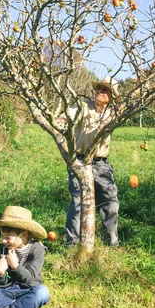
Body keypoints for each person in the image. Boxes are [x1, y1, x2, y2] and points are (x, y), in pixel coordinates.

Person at [64, 77, 120, 248]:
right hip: (80, 161)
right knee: (78, 203)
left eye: (105, 89)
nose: (100, 91)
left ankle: (111, 243)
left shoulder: (113, 113)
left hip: (101, 164)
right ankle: (72, 245)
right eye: (99, 88)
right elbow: (70, 114)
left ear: (112, 96)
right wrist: (62, 119)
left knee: (110, 202)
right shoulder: (83, 106)